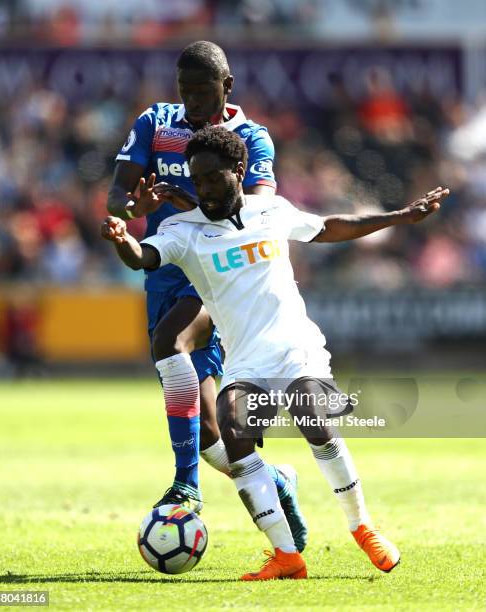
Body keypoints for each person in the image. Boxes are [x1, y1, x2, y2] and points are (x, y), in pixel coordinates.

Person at [102, 126, 449, 580]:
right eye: (197, 180)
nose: (203, 188)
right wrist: (122, 235)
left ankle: (362, 528)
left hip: (296, 348)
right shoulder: (183, 230)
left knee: (312, 416)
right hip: (246, 361)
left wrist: (399, 216)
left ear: (239, 171)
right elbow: (142, 258)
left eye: (212, 178)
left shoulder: (271, 209)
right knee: (234, 435)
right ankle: (287, 556)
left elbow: (327, 227)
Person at [107, 41, 307, 550]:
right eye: (185, 92)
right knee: (207, 422)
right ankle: (275, 482)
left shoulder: (251, 139)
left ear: (227, 87)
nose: (193, 102)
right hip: (166, 266)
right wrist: (135, 207)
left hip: (220, 271)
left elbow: (254, 212)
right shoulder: (156, 123)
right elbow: (118, 196)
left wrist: (187, 202)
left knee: (171, 345)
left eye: (203, 92)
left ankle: (186, 485)